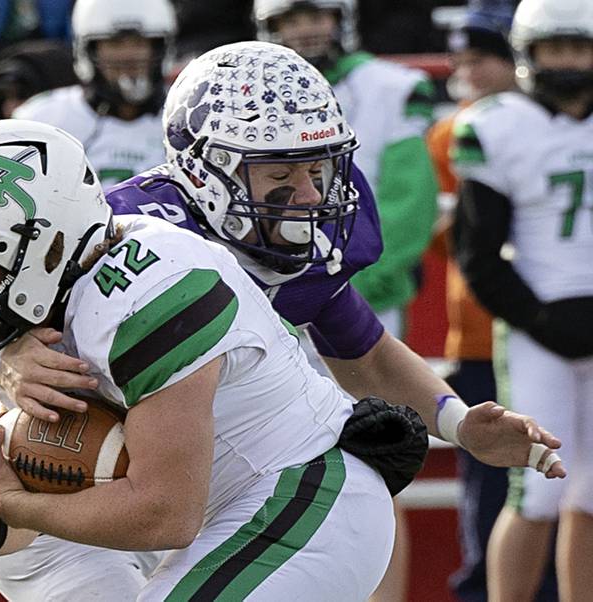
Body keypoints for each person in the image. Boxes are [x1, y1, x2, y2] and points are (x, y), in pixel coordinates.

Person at [0, 42, 564, 600]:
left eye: (317, 169)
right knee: (29, 518)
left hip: (265, 474)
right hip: (174, 469)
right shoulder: (118, 231)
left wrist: (455, 422)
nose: (309, 195)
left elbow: (361, 350)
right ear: (207, 170)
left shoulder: (235, 257)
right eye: (279, 173)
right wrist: (7, 354)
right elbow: (5, 290)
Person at [253, 3, 438, 598]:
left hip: (356, 300)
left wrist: (338, 289)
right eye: (287, 22)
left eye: (315, 16)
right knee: (260, 467)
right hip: (263, 307)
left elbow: (411, 205)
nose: (304, 31)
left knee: (378, 463)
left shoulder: (391, 87)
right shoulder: (241, 92)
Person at [451, 0, 593, 600]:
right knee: (537, 491)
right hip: (538, 326)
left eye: (578, 48)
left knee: (592, 495)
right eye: (553, 49)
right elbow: (476, 253)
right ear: (528, 54)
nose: (567, 62)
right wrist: (539, 319)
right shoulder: (497, 124)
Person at [426, 5, 560, 602]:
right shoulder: (455, 132)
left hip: (564, 336)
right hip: (486, 336)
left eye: (483, 58)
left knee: (570, 494)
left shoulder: (562, 131)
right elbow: (437, 235)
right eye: (460, 60)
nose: (468, 72)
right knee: (501, 497)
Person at [12, 0, 175, 188]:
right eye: (115, 44)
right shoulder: (44, 118)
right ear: (89, 49)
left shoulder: (183, 118)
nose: (129, 55)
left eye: (139, 43)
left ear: (160, 47)